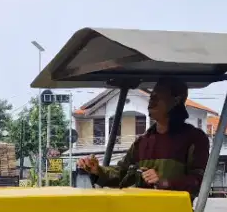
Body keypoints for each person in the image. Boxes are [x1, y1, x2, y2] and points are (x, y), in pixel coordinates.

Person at [77, 77, 210, 201]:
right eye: (152, 96)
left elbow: (199, 182)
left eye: (158, 96)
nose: (151, 99)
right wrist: (97, 170)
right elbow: (121, 174)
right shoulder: (142, 142)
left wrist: (164, 182)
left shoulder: (195, 139)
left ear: (176, 101)